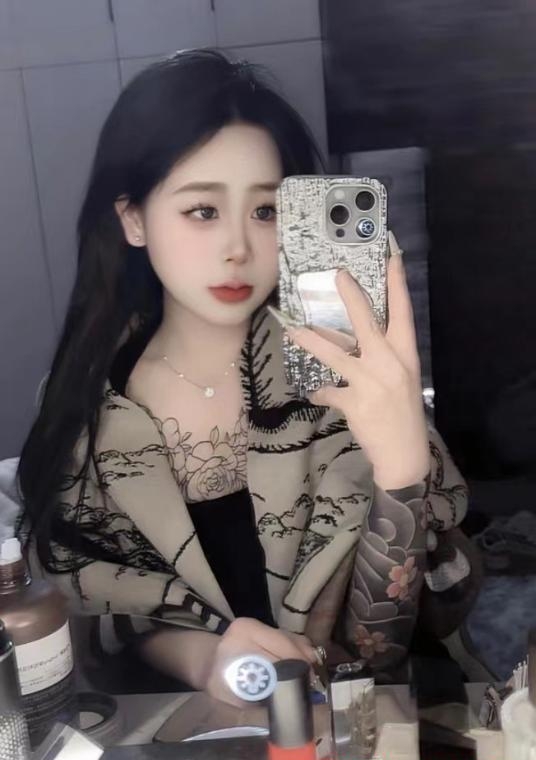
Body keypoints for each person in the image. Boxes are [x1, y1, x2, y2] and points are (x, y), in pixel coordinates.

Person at [18, 49, 468, 705]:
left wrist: (401, 470)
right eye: (202, 211)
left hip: (370, 723)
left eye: (266, 212)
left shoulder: (342, 374)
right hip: (200, 729)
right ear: (134, 219)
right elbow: (96, 615)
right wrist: (208, 661)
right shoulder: (88, 407)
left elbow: (391, 645)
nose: (237, 248)